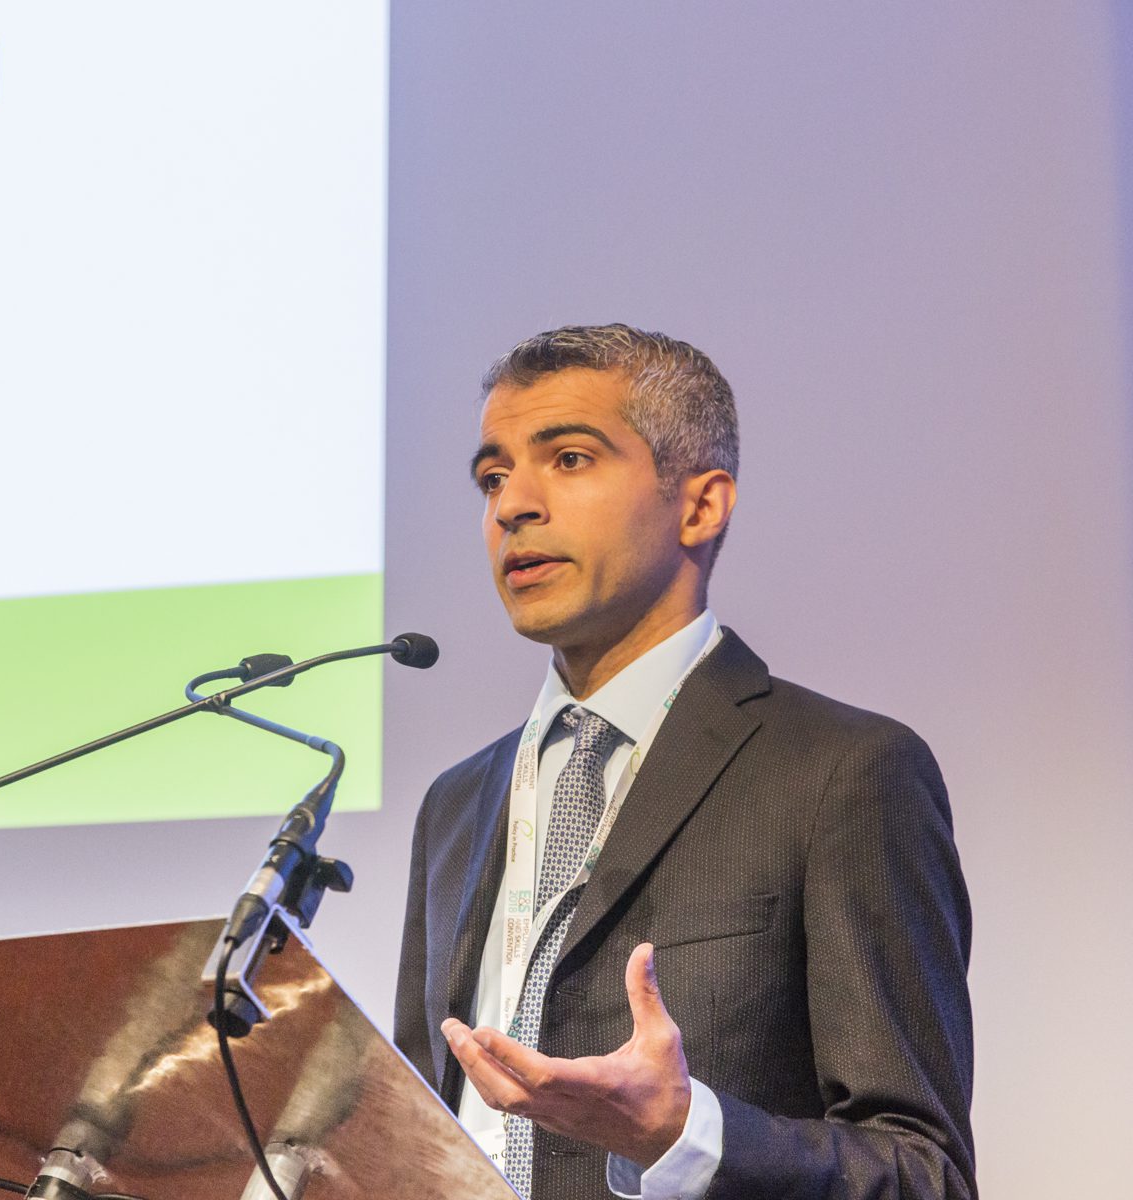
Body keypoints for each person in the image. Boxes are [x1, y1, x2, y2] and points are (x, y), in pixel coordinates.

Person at [394, 325, 975, 1200]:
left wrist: (687, 1136)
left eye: (570, 459)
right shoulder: (455, 804)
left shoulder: (844, 774)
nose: (513, 505)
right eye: (492, 477)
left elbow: (923, 1173)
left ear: (700, 506)